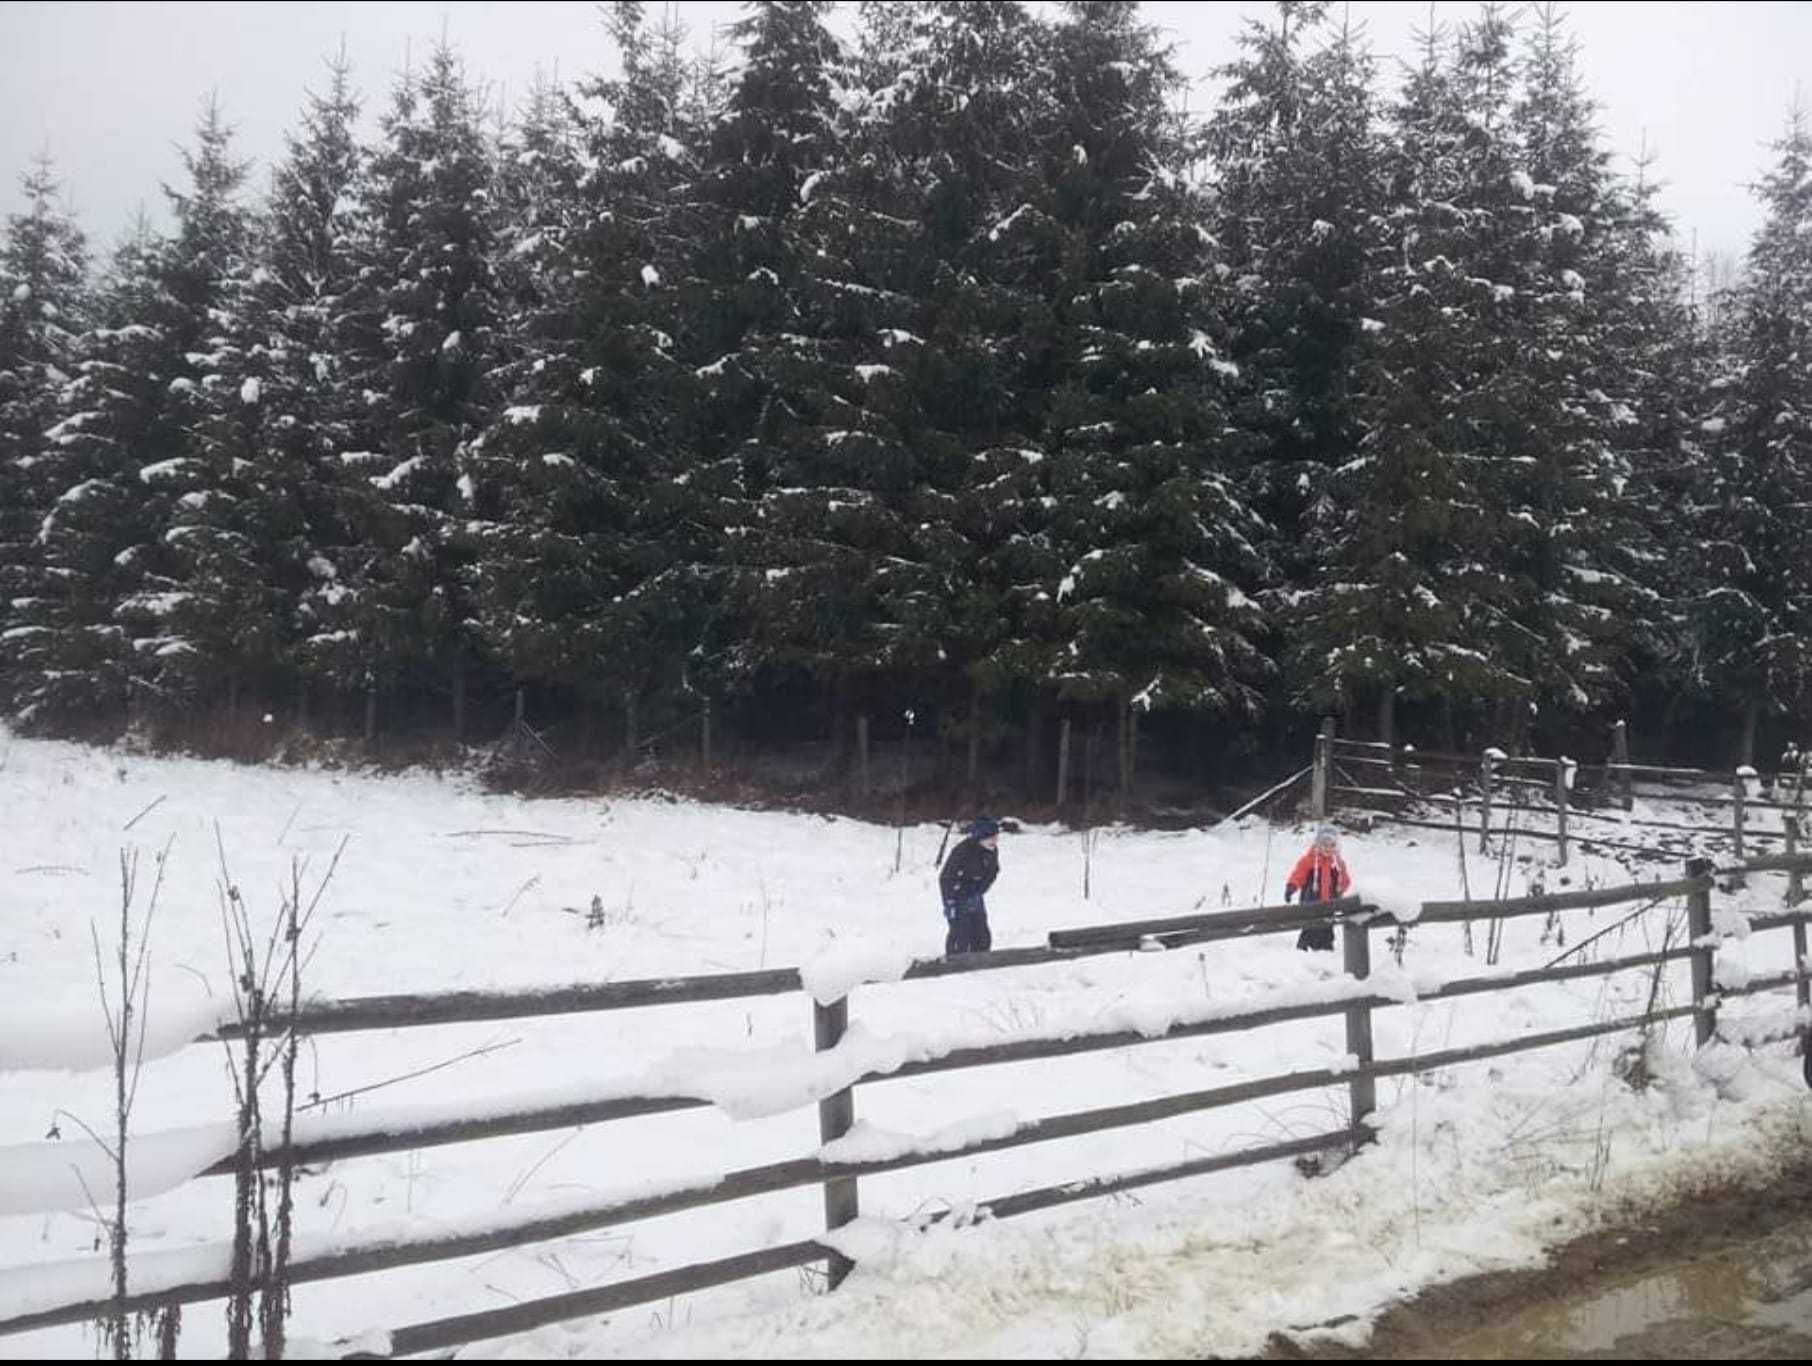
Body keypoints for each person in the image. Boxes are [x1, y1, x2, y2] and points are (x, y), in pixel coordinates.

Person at [1284, 824, 1351, 952]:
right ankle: (1303, 950)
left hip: (1330, 905)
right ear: (1318, 845)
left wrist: (1340, 888)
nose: (1328, 848)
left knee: (1327, 929)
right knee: (1310, 928)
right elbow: (1298, 874)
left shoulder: (1337, 863)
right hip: (1311, 902)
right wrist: (1291, 887)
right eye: (1325, 845)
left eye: (1332, 846)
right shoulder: (1309, 861)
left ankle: (1326, 949)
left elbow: (1346, 881)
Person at [940, 817, 1000, 955]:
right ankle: (954, 961)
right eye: (991, 838)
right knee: (961, 931)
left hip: (975, 893)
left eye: (996, 837)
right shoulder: (962, 851)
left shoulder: (991, 851)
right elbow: (946, 878)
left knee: (981, 932)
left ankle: (981, 959)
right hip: (957, 894)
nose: (995, 842)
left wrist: (979, 891)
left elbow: (993, 872)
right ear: (979, 837)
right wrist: (949, 902)